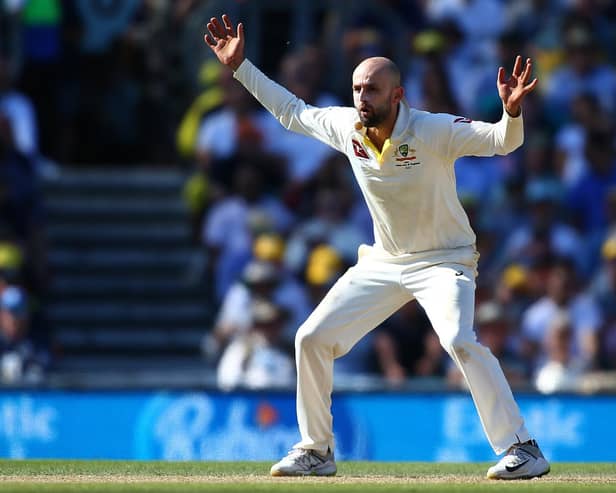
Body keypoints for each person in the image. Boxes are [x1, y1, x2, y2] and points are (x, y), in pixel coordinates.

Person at [204, 14, 549, 480]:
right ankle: (316, 450)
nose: (361, 98)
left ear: (398, 95)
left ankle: (522, 448)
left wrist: (511, 113)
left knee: (458, 340)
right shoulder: (347, 128)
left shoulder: (433, 130)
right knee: (311, 338)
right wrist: (242, 67)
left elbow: (502, 143)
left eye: (371, 89)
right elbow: (292, 112)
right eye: (356, 88)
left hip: (444, 259)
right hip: (384, 262)